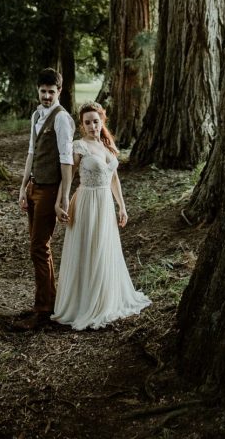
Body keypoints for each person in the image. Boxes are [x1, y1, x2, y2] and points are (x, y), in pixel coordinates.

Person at [52, 102, 151, 331]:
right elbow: (69, 176)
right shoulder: (80, 146)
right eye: (87, 122)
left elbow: (114, 178)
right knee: (88, 248)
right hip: (87, 202)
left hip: (105, 203)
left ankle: (106, 297)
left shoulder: (107, 146)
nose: (92, 126)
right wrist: (61, 201)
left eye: (95, 121)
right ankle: (85, 303)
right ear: (82, 125)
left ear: (102, 121)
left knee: (104, 248)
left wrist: (122, 207)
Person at [11, 68, 75, 331]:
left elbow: (66, 161)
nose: (47, 96)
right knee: (39, 247)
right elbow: (30, 152)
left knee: (39, 247)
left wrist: (64, 197)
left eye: (51, 92)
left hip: (50, 190)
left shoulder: (62, 119)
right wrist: (23, 186)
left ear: (59, 91)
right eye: (43, 91)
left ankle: (43, 310)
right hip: (35, 187)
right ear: (38, 90)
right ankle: (48, 301)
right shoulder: (37, 114)